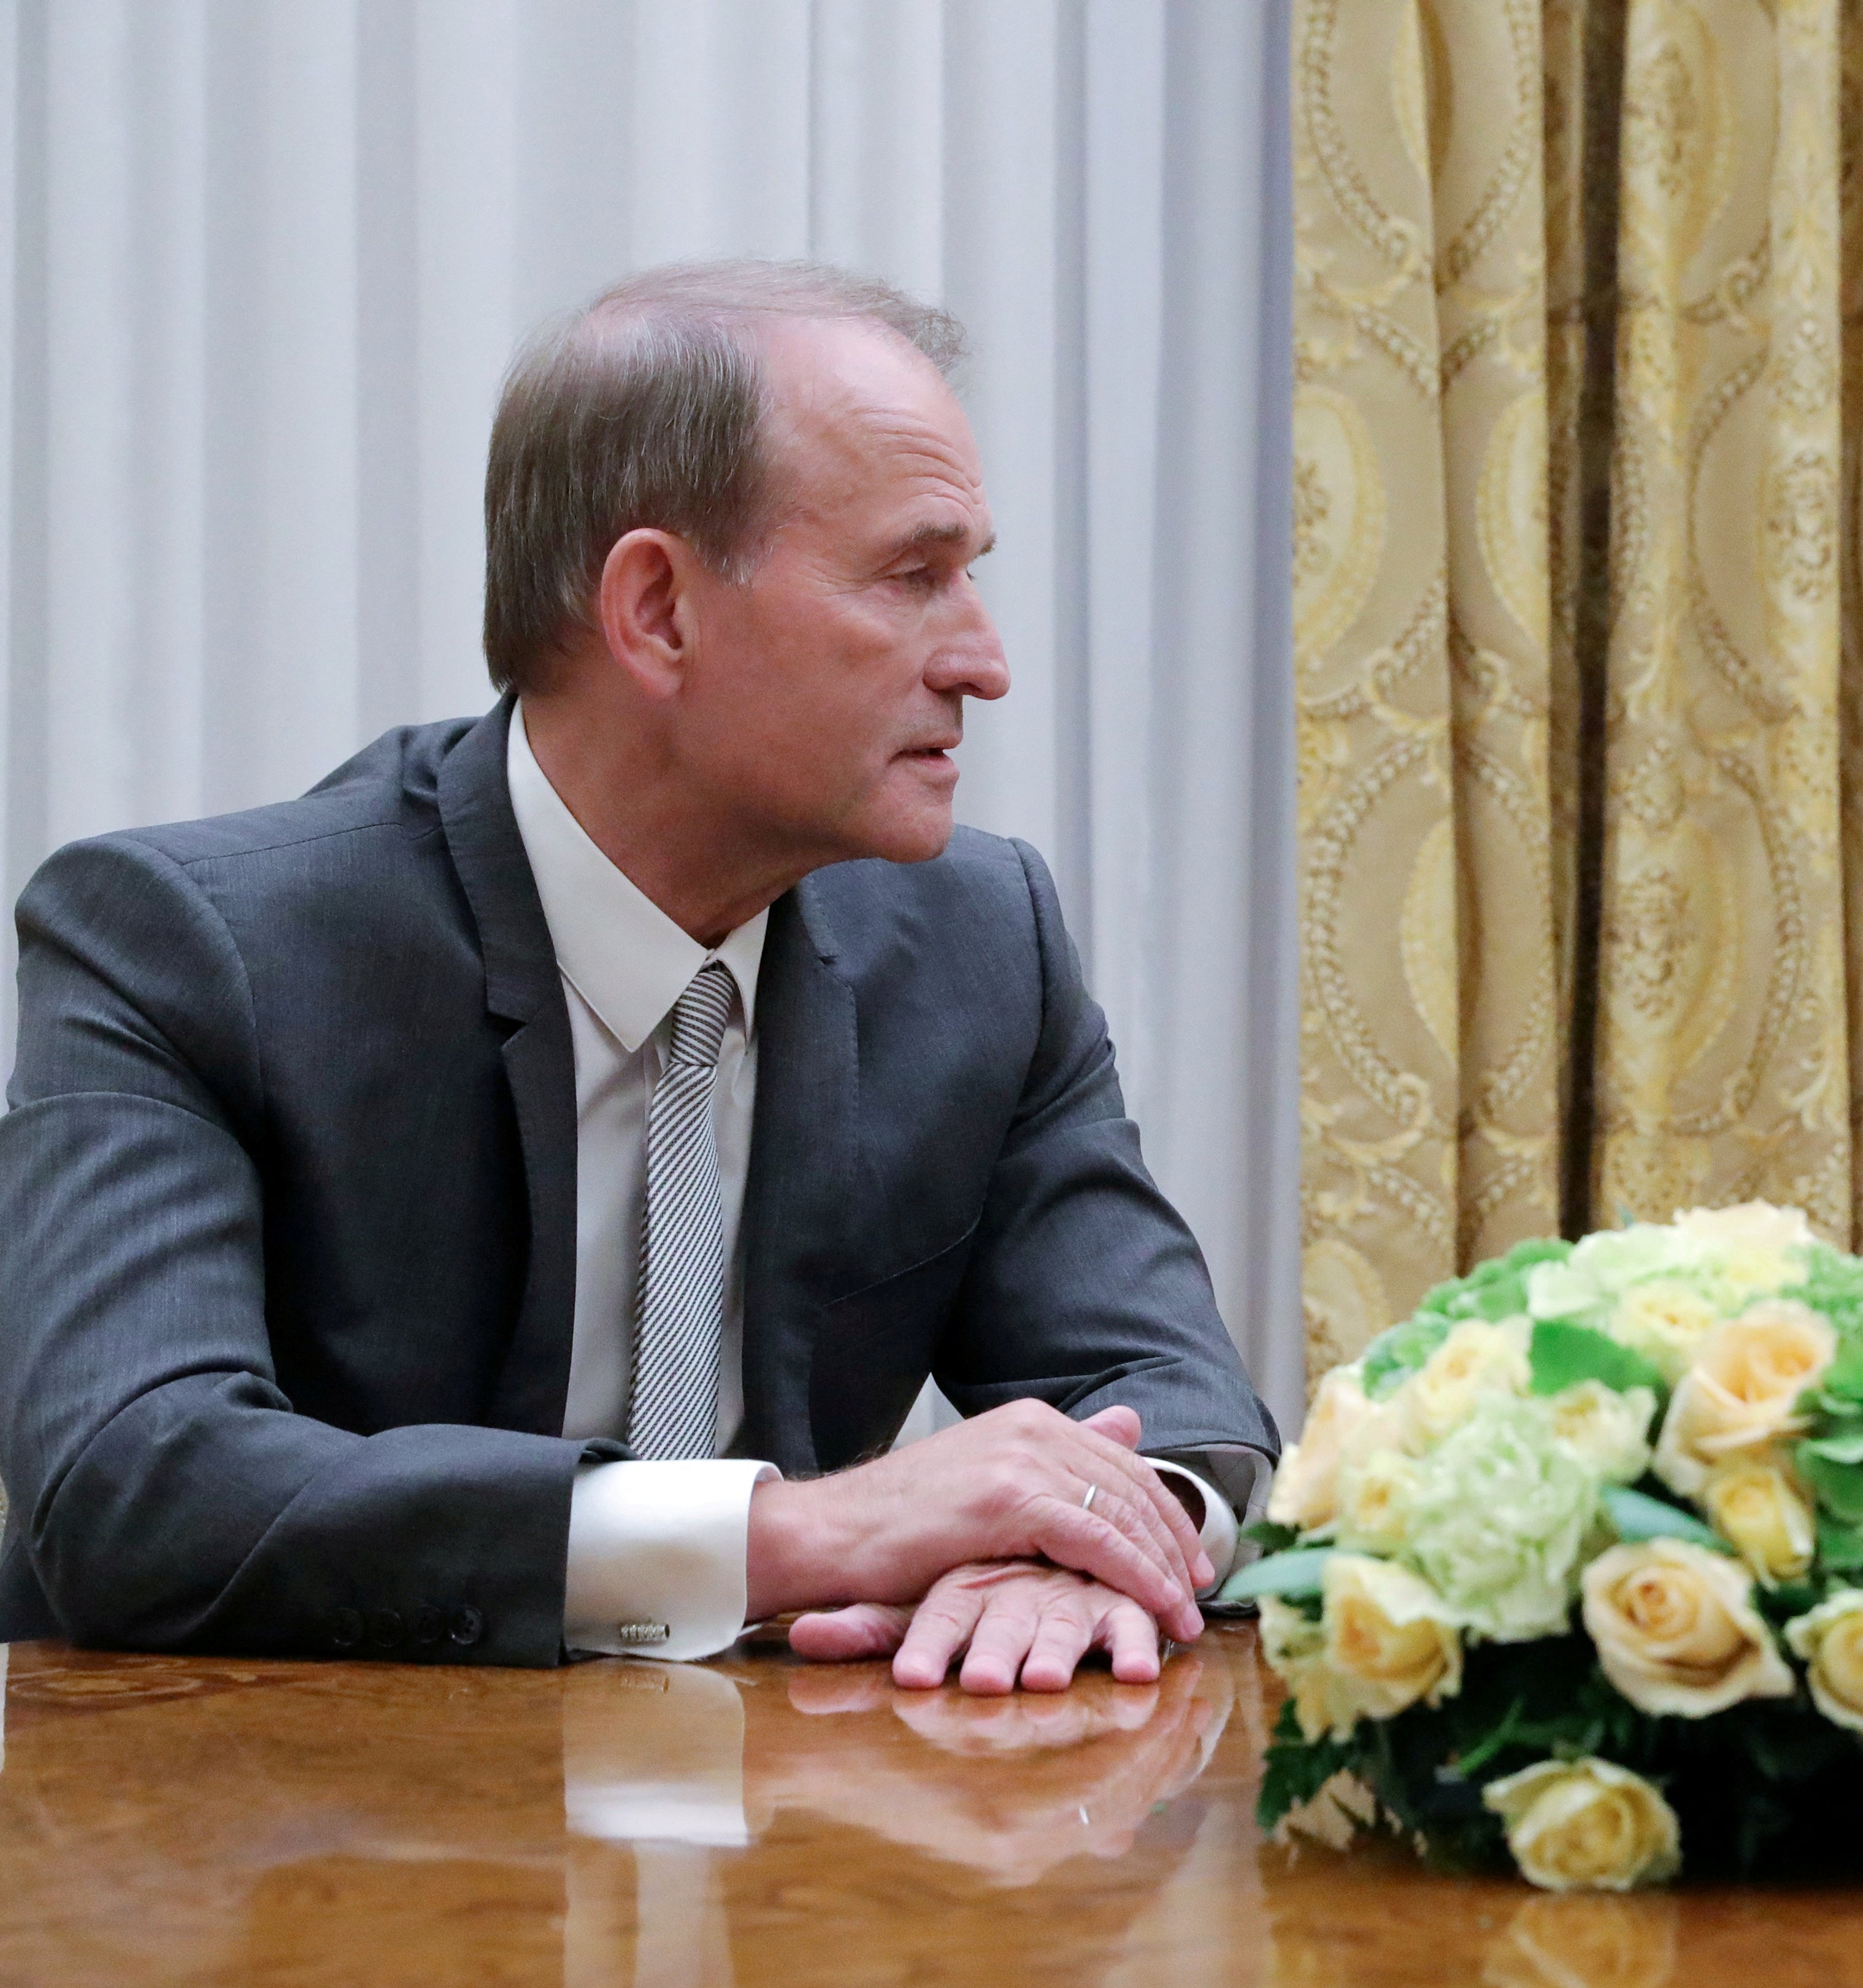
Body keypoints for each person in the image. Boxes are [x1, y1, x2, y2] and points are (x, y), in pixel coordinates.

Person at [0, 261, 1278, 1692]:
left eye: (973, 574)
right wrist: (794, 1533)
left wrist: (1080, 1537)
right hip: (268, 1829)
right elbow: (131, 1483)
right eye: (914, 576)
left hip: (805, 1854)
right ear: (657, 610)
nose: (982, 660)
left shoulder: (982, 941)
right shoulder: (184, 947)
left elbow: (1172, 1394)